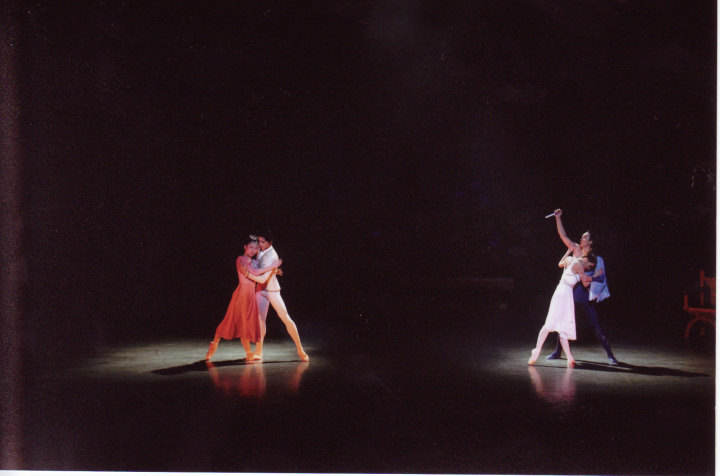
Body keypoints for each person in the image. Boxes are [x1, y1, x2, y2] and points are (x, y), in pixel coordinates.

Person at [546, 209, 618, 365]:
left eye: (585, 237)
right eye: (582, 236)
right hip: (570, 292)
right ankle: (558, 351)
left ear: (590, 242)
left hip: (583, 294)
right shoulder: (576, 249)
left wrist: (591, 277)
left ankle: (610, 354)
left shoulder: (594, 258)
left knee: (595, 323)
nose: (582, 238)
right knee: (563, 319)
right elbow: (563, 235)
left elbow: (601, 277)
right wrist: (558, 218)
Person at [205, 235, 282, 362]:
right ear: (245, 247)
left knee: (245, 324)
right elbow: (255, 272)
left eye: (256, 248)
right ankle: (214, 344)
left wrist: (274, 271)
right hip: (242, 295)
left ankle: (248, 352)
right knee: (232, 321)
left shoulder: (255, 261)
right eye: (251, 247)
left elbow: (260, 272)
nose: (253, 250)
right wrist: (273, 266)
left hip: (251, 295)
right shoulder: (241, 259)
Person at [528, 250, 596, 367]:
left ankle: (569, 356)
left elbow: (560, 264)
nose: (588, 268)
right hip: (564, 293)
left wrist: (568, 251)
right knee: (550, 323)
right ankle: (537, 350)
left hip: (563, 292)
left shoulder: (570, 259)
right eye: (589, 266)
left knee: (563, 326)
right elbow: (585, 283)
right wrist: (597, 277)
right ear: (586, 260)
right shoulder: (580, 266)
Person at [253, 230, 309, 362]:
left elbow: (263, 277)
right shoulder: (260, 250)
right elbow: (259, 265)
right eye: (259, 241)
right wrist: (275, 270)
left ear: (270, 242)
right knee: (260, 320)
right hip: (261, 289)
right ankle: (258, 351)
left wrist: (248, 274)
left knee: (285, 317)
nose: (260, 244)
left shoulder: (273, 256)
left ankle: (300, 349)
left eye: (263, 242)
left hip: (271, 290)